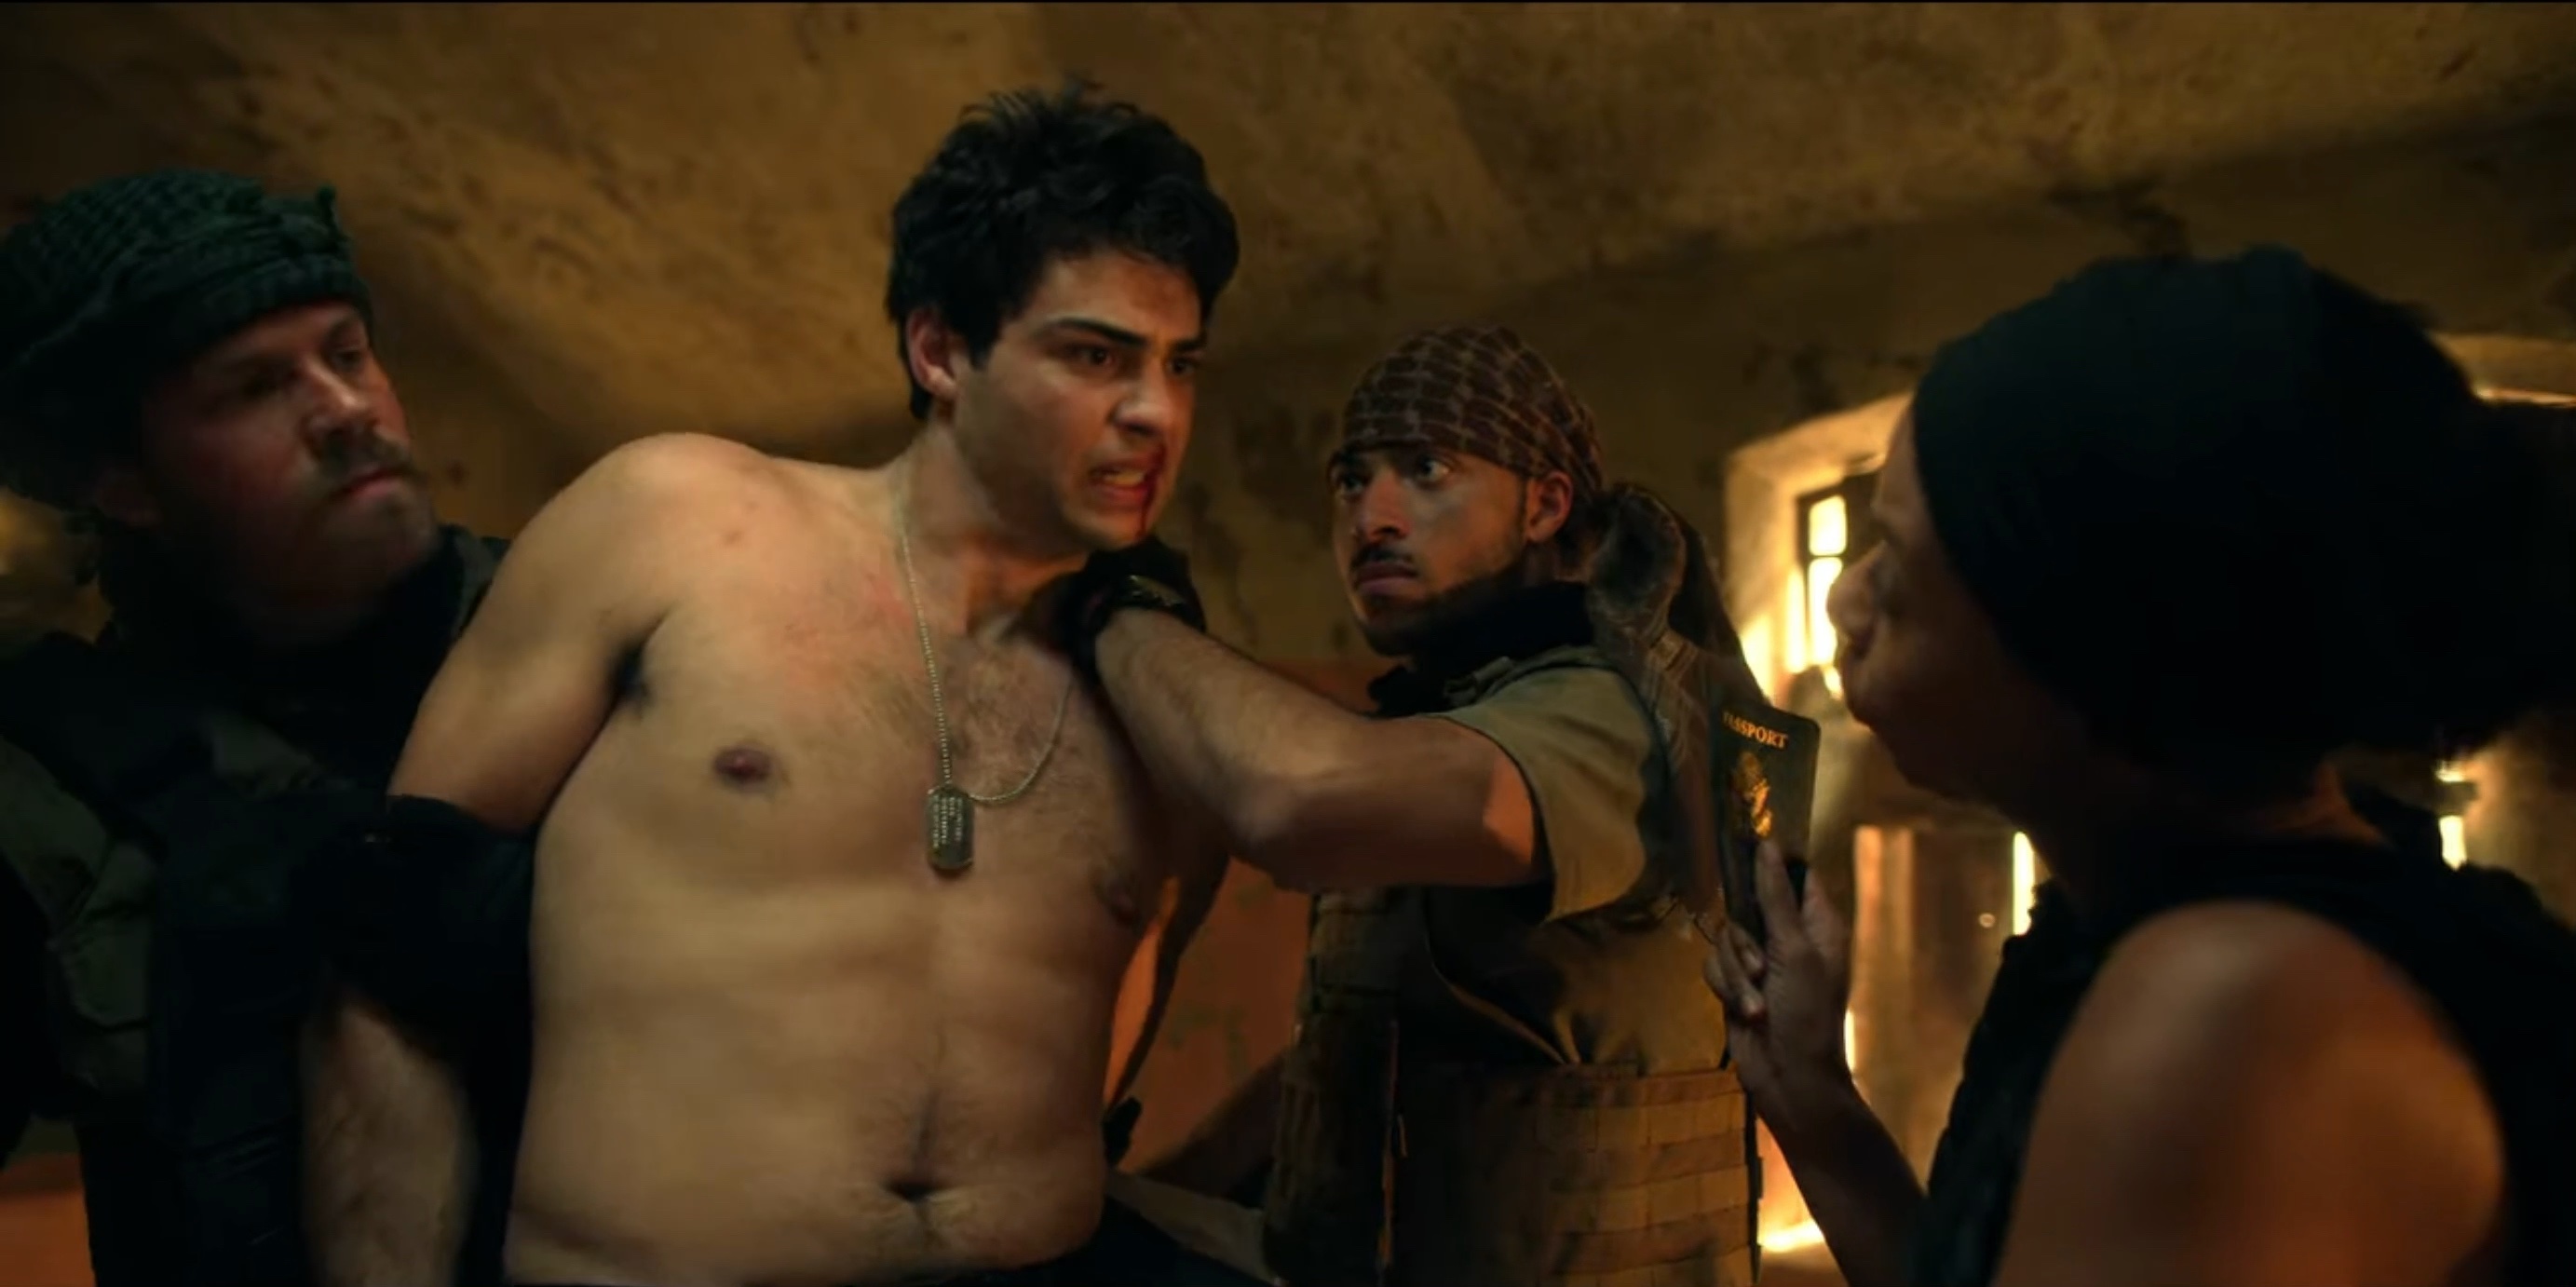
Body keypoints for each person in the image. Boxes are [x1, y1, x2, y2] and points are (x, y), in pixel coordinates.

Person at [303, 81, 1266, 1287]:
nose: (1155, 412)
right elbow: (386, 959)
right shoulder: (680, 522)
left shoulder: (1151, 677)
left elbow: (1109, 1031)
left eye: (1180, 363)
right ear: (940, 349)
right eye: (1095, 355)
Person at [1703, 247, 2576, 1287]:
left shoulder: (2234, 1014)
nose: (1845, 604)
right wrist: (1817, 1106)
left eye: (1896, 573)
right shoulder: (2139, 927)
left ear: (2086, 647)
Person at [1085, 326, 1772, 1286]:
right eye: (1351, 479)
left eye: (1427, 469)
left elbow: (1296, 801)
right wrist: (1134, 1198)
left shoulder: (1613, 714)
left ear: (1545, 505)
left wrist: (1120, 605)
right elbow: (1356, 1054)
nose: (1372, 516)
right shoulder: (1446, 714)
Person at [0, 169, 520, 1286]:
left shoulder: (588, 632)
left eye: (348, 353)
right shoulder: (47, 800)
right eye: (253, 387)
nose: (345, 411)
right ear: (122, 481)